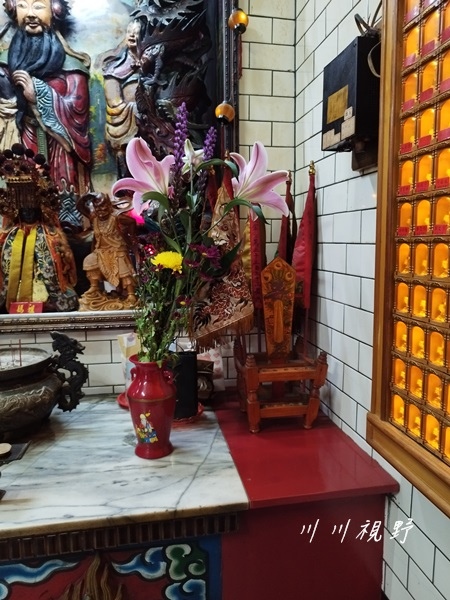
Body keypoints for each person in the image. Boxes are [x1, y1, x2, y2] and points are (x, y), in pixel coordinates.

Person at [0, 0, 92, 194]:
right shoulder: (4, 63)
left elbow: (78, 112)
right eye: (23, 6)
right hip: (21, 140)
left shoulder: (71, 65)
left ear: (55, 11)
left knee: (62, 196)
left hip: (59, 148)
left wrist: (39, 94)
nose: (30, 14)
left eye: (38, 6)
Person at [76, 191, 137, 309]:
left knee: (123, 269)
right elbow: (80, 207)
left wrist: (131, 236)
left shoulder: (116, 217)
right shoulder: (94, 218)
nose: (101, 211)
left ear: (109, 206)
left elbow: (132, 222)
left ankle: (131, 294)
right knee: (89, 260)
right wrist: (86, 196)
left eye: (103, 207)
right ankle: (94, 287)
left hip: (117, 249)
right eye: (97, 208)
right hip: (100, 250)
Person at [99, 18, 142, 178]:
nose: (132, 35)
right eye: (129, 32)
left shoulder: (151, 65)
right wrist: (136, 110)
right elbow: (113, 101)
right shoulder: (115, 69)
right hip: (127, 122)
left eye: (137, 33)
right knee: (126, 159)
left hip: (149, 124)